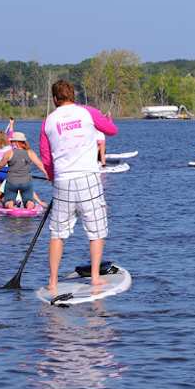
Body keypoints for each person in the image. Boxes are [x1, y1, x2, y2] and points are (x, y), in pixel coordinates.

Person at [39, 79, 119, 294]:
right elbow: (112, 131)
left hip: (63, 181)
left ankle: (53, 281)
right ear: (72, 96)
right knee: (96, 229)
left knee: (57, 233)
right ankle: (94, 277)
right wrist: (105, 119)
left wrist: (52, 176)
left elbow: (46, 156)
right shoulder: (88, 112)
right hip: (88, 178)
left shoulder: (48, 121)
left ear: (55, 99)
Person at [0, 131, 48, 210]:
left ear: (14, 142)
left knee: (8, 199)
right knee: (28, 199)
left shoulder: (9, 153)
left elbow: (0, 165)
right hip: (26, 182)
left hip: (12, 182)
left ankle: (9, 203)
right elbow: (40, 165)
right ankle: (29, 203)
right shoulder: (30, 153)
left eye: (11, 141)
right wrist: (47, 175)